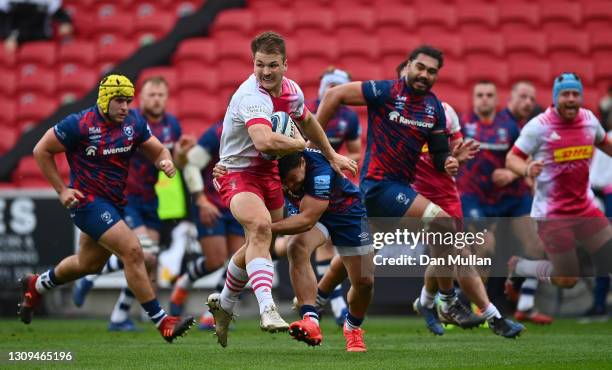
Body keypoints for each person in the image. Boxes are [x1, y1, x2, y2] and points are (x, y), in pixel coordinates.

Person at [316, 45, 522, 337]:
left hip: (398, 190)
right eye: (420, 67)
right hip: (378, 185)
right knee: (444, 225)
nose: (425, 74)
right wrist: (315, 146)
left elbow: (439, 156)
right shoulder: (385, 92)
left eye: (432, 71)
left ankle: (317, 298)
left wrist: (449, 161)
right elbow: (333, 95)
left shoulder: (435, 108)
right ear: (409, 66)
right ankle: (449, 302)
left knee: (359, 254)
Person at [206, 31, 357, 348]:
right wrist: (301, 145)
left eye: (272, 65)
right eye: (260, 64)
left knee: (260, 238)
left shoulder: (291, 91)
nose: (265, 72)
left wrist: (331, 155)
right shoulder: (251, 96)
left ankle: (225, 304)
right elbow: (263, 140)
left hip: (268, 172)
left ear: (285, 65)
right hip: (237, 172)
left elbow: (309, 119)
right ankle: (268, 309)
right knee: (261, 229)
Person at [18, 74, 194, 342]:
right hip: (86, 202)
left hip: (114, 203)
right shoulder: (79, 124)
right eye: (119, 101)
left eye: (127, 101)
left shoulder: (133, 122)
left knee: (87, 264)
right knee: (134, 251)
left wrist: (165, 162)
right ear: (105, 100)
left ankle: (37, 284)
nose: (125, 107)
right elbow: (41, 150)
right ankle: (162, 321)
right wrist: (61, 189)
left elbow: (158, 151)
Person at [71, 76, 183, 331]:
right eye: (151, 94)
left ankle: (119, 314)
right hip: (126, 197)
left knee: (148, 260)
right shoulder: (129, 121)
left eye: (161, 95)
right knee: (139, 253)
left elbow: (175, 161)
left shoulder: (172, 126)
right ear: (141, 99)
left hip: (150, 199)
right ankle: (93, 280)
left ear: (166, 98)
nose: (156, 99)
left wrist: (179, 157)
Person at [457, 80, 552, 324]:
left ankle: (526, 303)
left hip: (511, 196)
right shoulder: (462, 125)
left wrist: (512, 173)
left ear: (498, 99)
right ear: (473, 98)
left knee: (536, 245)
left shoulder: (509, 125)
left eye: (490, 94)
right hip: (475, 196)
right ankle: (474, 306)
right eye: (480, 94)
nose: (485, 99)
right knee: (485, 247)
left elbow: (524, 155)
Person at [506, 73, 612, 290]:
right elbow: (511, 158)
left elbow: (605, 143)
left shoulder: (589, 120)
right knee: (567, 280)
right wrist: (526, 168)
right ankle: (521, 267)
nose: (571, 99)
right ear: (555, 98)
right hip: (553, 216)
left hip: (585, 208)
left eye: (575, 94)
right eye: (565, 94)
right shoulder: (539, 126)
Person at [273, 149, 374, 352]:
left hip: (347, 214)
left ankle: (352, 327)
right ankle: (310, 318)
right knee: (296, 246)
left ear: (302, 163)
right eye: (285, 183)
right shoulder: (273, 167)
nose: (291, 186)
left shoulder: (319, 170)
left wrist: (266, 227)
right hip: (315, 217)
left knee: (364, 282)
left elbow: (307, 220)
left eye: (294, 179)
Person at [169, 120, 245, 331]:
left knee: (238, 262)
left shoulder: (260, 134)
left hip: (240, 203)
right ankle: (183, 283)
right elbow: (191, 165)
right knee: (215, 261)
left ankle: (213, 313)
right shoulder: (216, 134)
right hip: (213, 205)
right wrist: (201, 201)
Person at [305, 66, 360, 326]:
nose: (333, 91)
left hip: (333, 182)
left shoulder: (349, 118)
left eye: (338, 87)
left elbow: (356, 151)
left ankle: (335, 305)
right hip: (305, 180)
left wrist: (342, 161)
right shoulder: (306, 111)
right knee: (291, 245)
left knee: (325, 241)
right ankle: (331, 303)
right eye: (330, 85)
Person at [2, 0, 73, 53]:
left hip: (41, 38)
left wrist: (65, 23)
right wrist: (7, 36)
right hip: (16, 39)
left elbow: (60, 14)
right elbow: (2, 18)